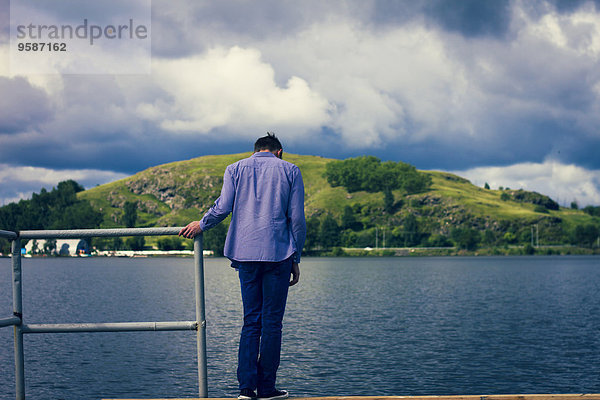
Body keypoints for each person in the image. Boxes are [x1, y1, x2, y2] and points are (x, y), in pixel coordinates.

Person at [179, 132, 306, 400]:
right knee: (272, 323)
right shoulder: (291, 170)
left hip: (245, 253)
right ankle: (267, 389)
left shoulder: (235, 169)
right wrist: (296, 257)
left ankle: (246, 389)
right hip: (278, 255)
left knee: (251, 321)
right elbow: (296, 219)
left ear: (256, 150)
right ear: (279, 152)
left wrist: (201, 224)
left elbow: (223, 207)